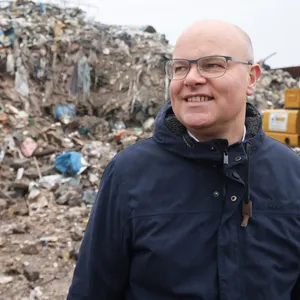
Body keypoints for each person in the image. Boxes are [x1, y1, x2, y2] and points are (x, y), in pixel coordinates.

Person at [67, 19, 300, 300]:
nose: (191, 79)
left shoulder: (292, 174)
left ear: (251, 78)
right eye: (180, 67)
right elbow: (92, 291)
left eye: (212, 64)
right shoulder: (128, 174)